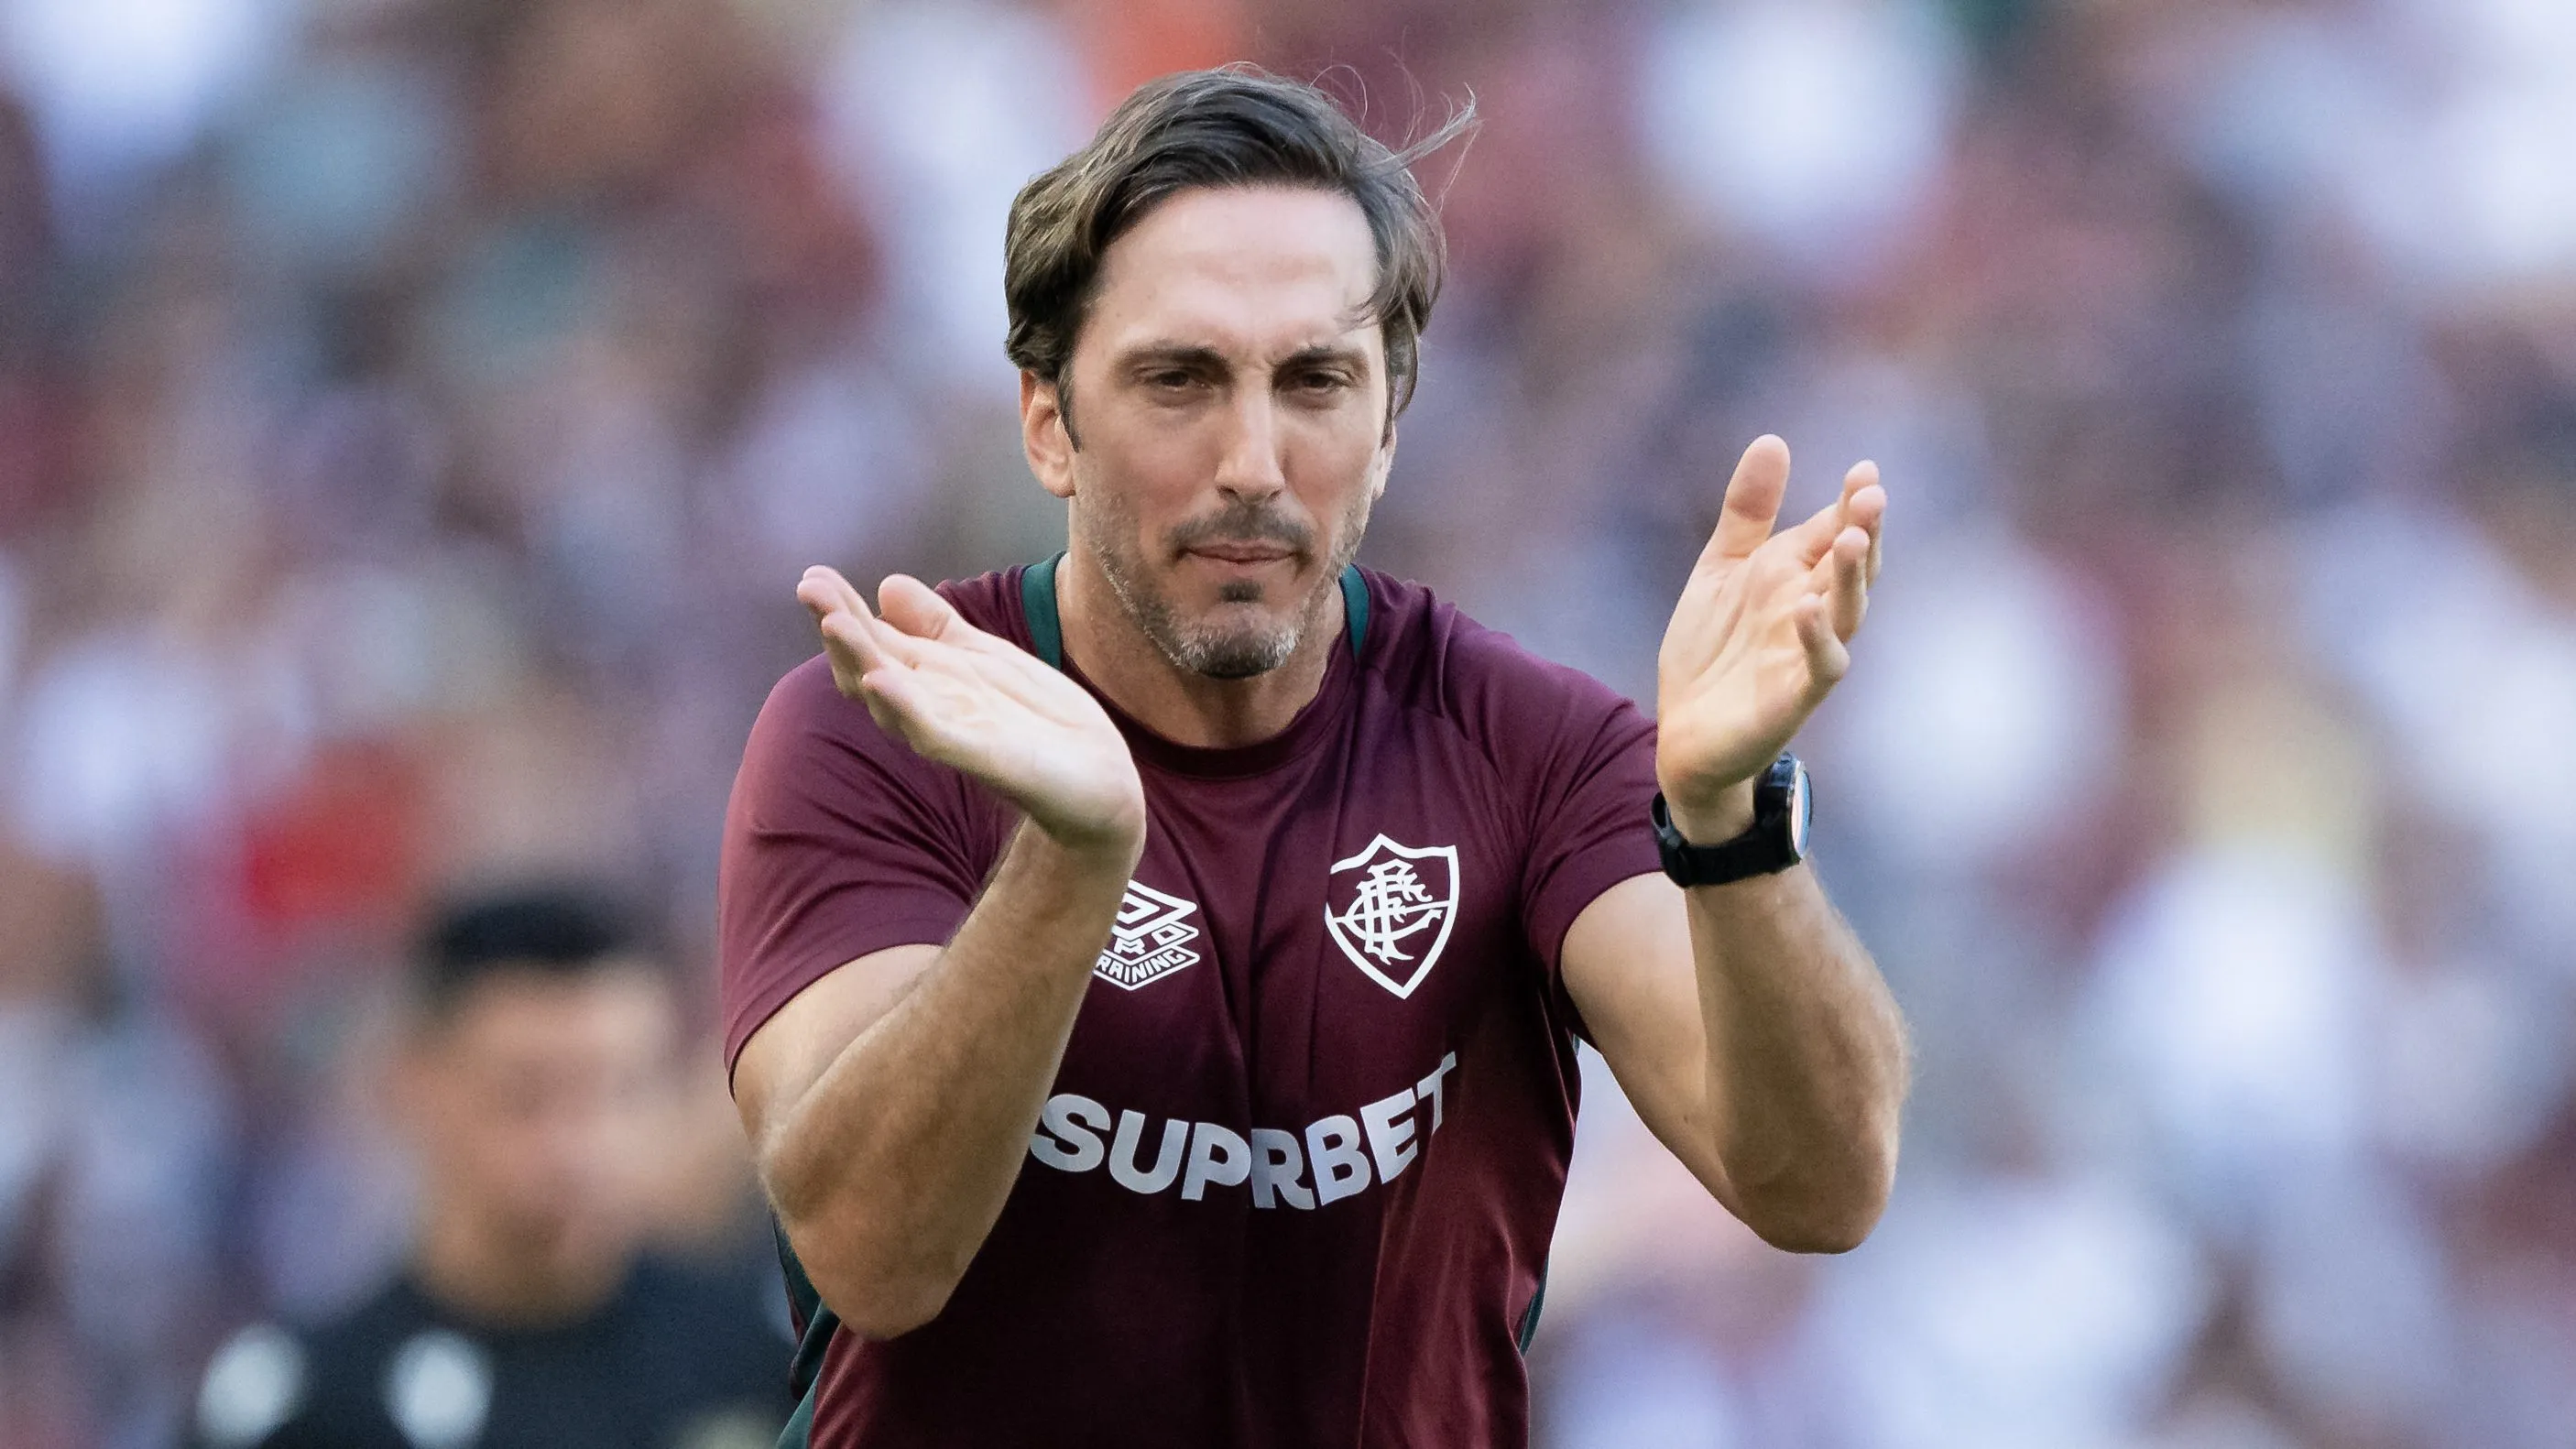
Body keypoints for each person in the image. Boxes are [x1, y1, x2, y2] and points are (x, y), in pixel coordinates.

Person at [720, 66, 1908, 1448]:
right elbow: (871, 1250)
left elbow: (1820, 1187)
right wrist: (1073, 858)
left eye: (1315, 382)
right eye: (1180, 380)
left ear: (1391, 422)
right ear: (1050, 420)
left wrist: (1729, 823)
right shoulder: (879, 725)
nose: (1254, 460)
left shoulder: (1529, 751)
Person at [191, 888, 794, 1449]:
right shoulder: (305, 1406)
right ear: (412, 1081)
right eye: (525, 1095)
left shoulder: (766, 1357)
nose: (577, 1143)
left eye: (619, 1089)